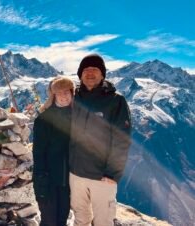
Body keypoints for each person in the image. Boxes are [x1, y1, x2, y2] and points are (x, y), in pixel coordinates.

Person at [69, 54, 132, 226]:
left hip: (102, 177)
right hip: (75, 174)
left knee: (103, 221)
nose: (90, 73)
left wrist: (113, 173)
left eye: (94, 69)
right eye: (86, 70)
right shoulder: (72, 98)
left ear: (102, 74)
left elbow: (122, 139)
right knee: (80, 219)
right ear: (80, 74)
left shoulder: (115, 101)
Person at [33, 76, 74, 226]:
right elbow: (38, 153)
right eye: (59, 92)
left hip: (68, 180)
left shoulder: (78, 117)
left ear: (72, 93)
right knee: (49, 221)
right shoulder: (44, 119)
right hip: (48, 179)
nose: (64, 96)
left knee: (62, 219)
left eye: (67, 92)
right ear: (53, 95)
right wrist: (40, 181)